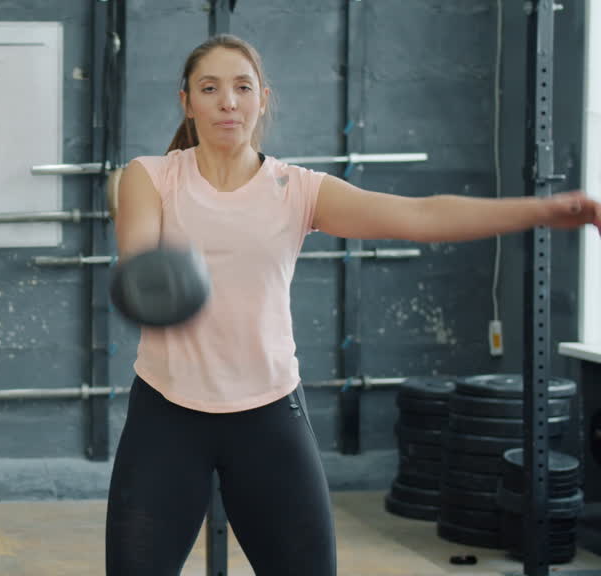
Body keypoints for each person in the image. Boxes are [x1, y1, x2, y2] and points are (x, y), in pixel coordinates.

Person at [106, 33, 601, 576]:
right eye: (210, 88)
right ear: (187, 102)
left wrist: (544, 210)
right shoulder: (150, 177)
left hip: (267, 412)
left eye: (242, 87)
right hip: (167, 412)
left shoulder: (295, 189)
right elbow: (140, 267)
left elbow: (421, 216)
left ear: (262, 98)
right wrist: (153, 283)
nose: (228, 101)